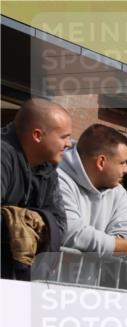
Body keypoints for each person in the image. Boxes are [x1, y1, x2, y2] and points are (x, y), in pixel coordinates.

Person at [59, 124, 127, 259]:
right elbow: (70, 232)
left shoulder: (118, 191)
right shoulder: (58, 179)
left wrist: (119, 246)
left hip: (92, 273)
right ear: (101, 162)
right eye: (122, 163)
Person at [2, 98, 74, 279]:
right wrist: (31, 224)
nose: (69, 144)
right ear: (37, 135)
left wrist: (21, 220)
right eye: (64, 137)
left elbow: (60, 226)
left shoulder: (48, 169)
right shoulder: (3, 155)